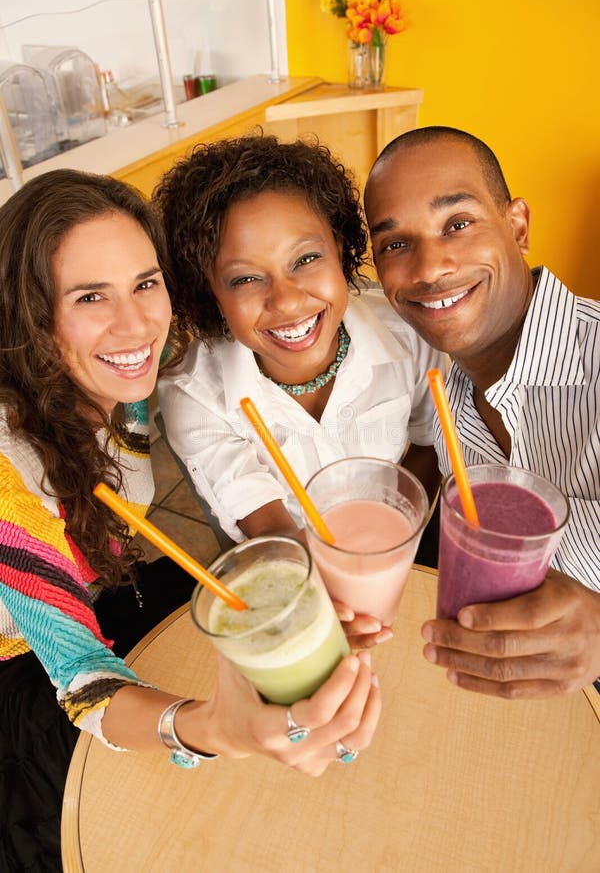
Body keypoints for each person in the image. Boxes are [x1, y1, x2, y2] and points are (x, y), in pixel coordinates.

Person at [0, 170, 380, 872]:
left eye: (145, 283)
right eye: (90, 297)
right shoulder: (9, 480)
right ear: (28, 314)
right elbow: (80, 679)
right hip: (26, 670)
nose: (136, 325)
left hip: (104, 592)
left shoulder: (127, 378)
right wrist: (214, 730)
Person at [153, 134, 446, 644]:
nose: (287, 302)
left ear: (341, 248)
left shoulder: (410, 334)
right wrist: (332, 593)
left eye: (306, 259)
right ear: (210, 292)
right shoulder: (195, 396)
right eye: (245, 279)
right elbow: (271, 527)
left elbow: (428, 443)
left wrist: (395, 541)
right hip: (294, 570)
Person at [364, 125, 600, 700]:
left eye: (458, 224)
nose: (429, 268)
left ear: (517, 226)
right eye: (395, 244)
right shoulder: (445, 395)